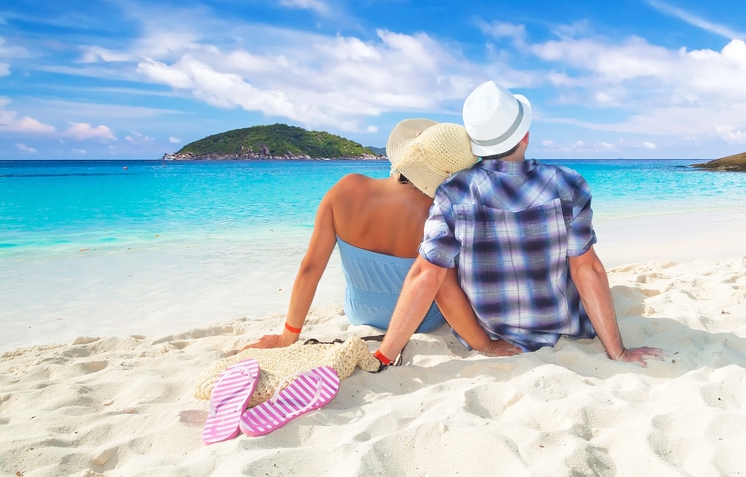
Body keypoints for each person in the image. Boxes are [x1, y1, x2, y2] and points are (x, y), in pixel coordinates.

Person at [375, 81, 663, 366]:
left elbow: (427, 277)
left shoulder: (453, 192)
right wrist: (618, 352)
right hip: (564, 326)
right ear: (524, 135)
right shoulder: (568, 183)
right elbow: (587, 268)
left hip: (493, 333)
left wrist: (385, 355)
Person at [243, 118, 478, 350]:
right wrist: (484, 345)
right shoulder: (441, 214)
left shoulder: (346, 189)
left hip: (359, 313)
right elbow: (444, 289)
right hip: (422, 320)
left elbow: (310, 268)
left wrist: (287, 337)